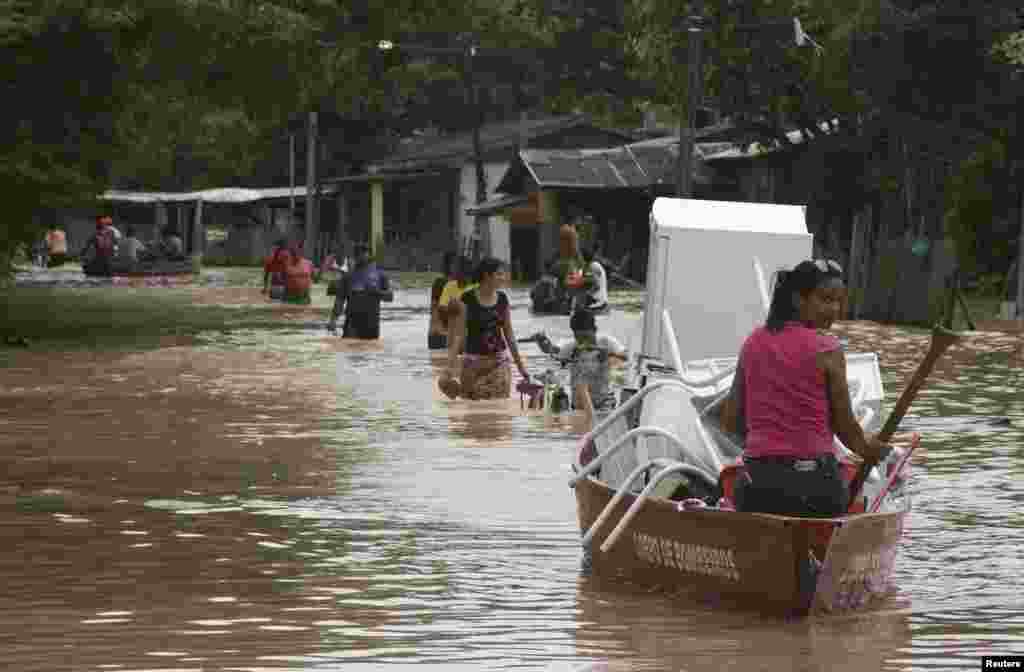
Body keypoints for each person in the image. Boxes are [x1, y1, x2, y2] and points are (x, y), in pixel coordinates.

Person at [718, 259, 888, 518]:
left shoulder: (753, 342)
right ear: (799, 300)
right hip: (817, 488)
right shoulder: (828, 348)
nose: (834, 309)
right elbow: (846, 430)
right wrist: (872, 451)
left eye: (838, 301)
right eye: (826, 299)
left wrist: (768, 448)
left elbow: (730, 421)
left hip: (758, 486)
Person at [440, 257, 530, 400]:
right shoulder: (467, 299)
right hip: (472, 363)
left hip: (498, 363)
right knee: (472, 410)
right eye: (499, 274)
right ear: (487, 276)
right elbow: (459, 336)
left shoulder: (502, 299)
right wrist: (448, 369)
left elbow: (509, 336)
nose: (503, 278)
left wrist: (521, 367)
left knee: (497, 411)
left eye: (504, 274)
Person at [535, 309, 627, 415]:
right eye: (578, 337)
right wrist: (543, 342)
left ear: (595, 330)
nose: (583, 341)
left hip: (604, 403)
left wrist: (609, 355)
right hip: (578, 404)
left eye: (586, 337)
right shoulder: (571, 346)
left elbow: (626, 356)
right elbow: (552, 350)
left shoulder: (607, 342)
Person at [328, 242, 393, 339]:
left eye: (363, 252)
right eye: (357, 253)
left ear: (369, 254)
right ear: (354, 256)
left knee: (369, 351)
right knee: (349, 349)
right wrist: (333, 321)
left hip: (371, 324)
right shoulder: (348, 277)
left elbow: (390, 297)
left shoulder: (380, 275)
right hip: (352, 324)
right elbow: (339, 300)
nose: (360, 255)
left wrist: (377, 292)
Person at [428, 251, 457, 350]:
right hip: (441, 332)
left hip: (450, 333)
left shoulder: (462, 284)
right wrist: (436, 328)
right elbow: (434, 307)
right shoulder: (440, 283)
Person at [578, 245, 609, 312]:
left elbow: (596, 285)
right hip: (598, 300)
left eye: (578, 256)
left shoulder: (592, 266)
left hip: (597, 301)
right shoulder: (590, 266)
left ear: (583, 257)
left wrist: (586, 294)